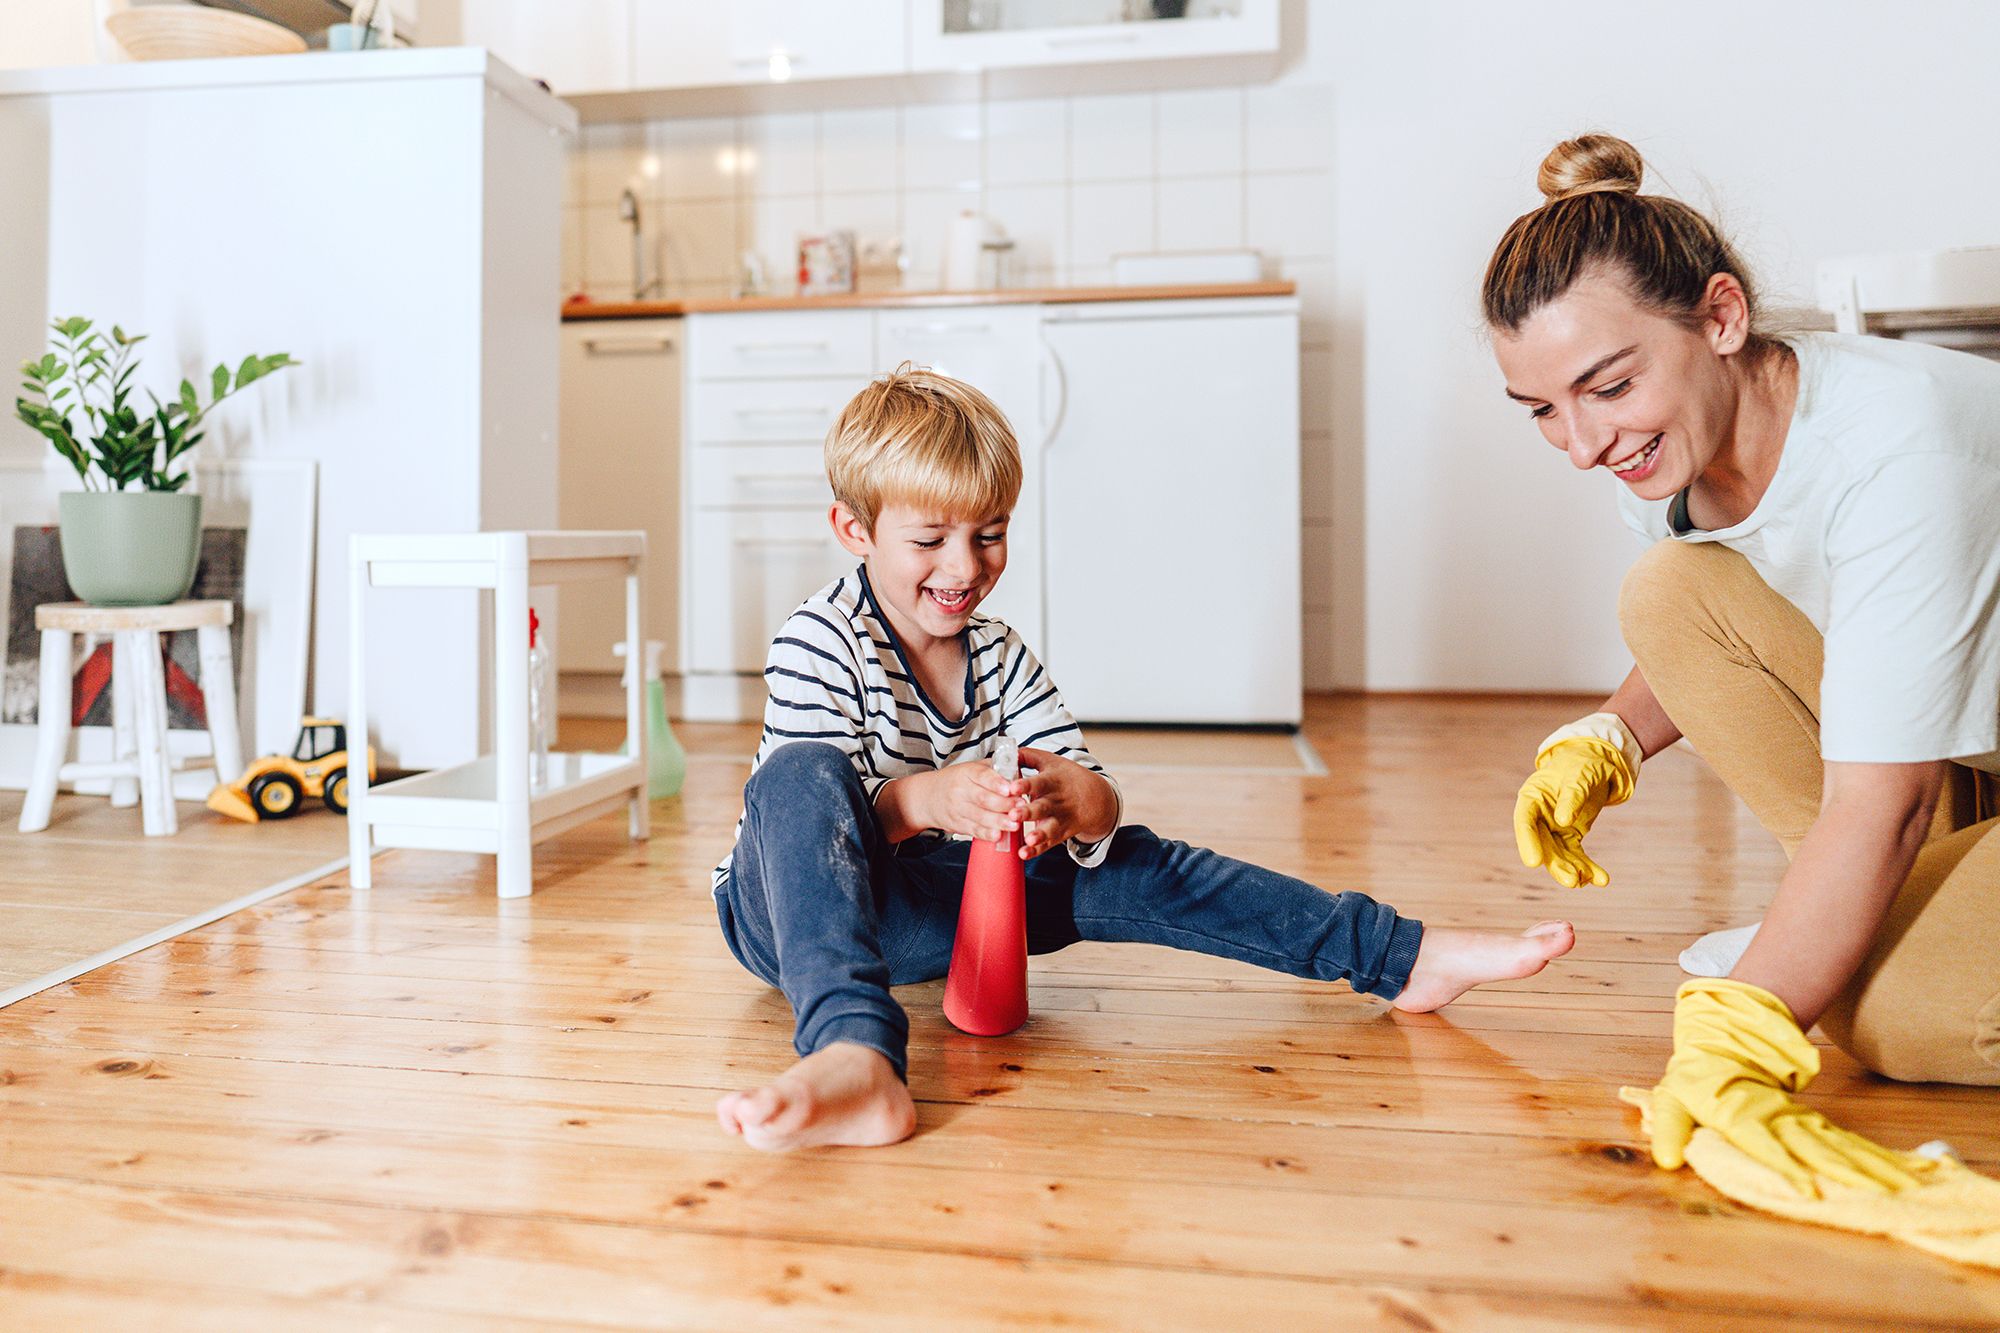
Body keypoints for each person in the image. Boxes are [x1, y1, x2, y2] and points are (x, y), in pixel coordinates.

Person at [711, 365, 1576, 1151]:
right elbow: (811, 820)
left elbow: (1096, 799)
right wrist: (930, 799)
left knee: (1138, 861)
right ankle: (854, 1053)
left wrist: (1072, 800)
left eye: (991, 534)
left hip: (946, 899)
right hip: (790, 912)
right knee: (798, 775)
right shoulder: (820, 638)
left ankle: (1401, 956)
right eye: (929, 539)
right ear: (853, 531)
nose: (964, 566)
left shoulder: (1001, 653)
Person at [1485, 133, 2000, 1194]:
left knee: (1885, 1010)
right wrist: (1609, 734)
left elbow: (1885, 804)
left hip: (1928, 783)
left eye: (1606, 386)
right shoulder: (1685, 449)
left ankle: (1842, 932)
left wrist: (1746, 1026)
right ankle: (1856, 918)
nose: (1581, 444)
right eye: (1542, 409)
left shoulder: (1894, 452)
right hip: (1977, 757)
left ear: (1718, 317)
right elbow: (1714, 618)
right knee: (1666, 587)